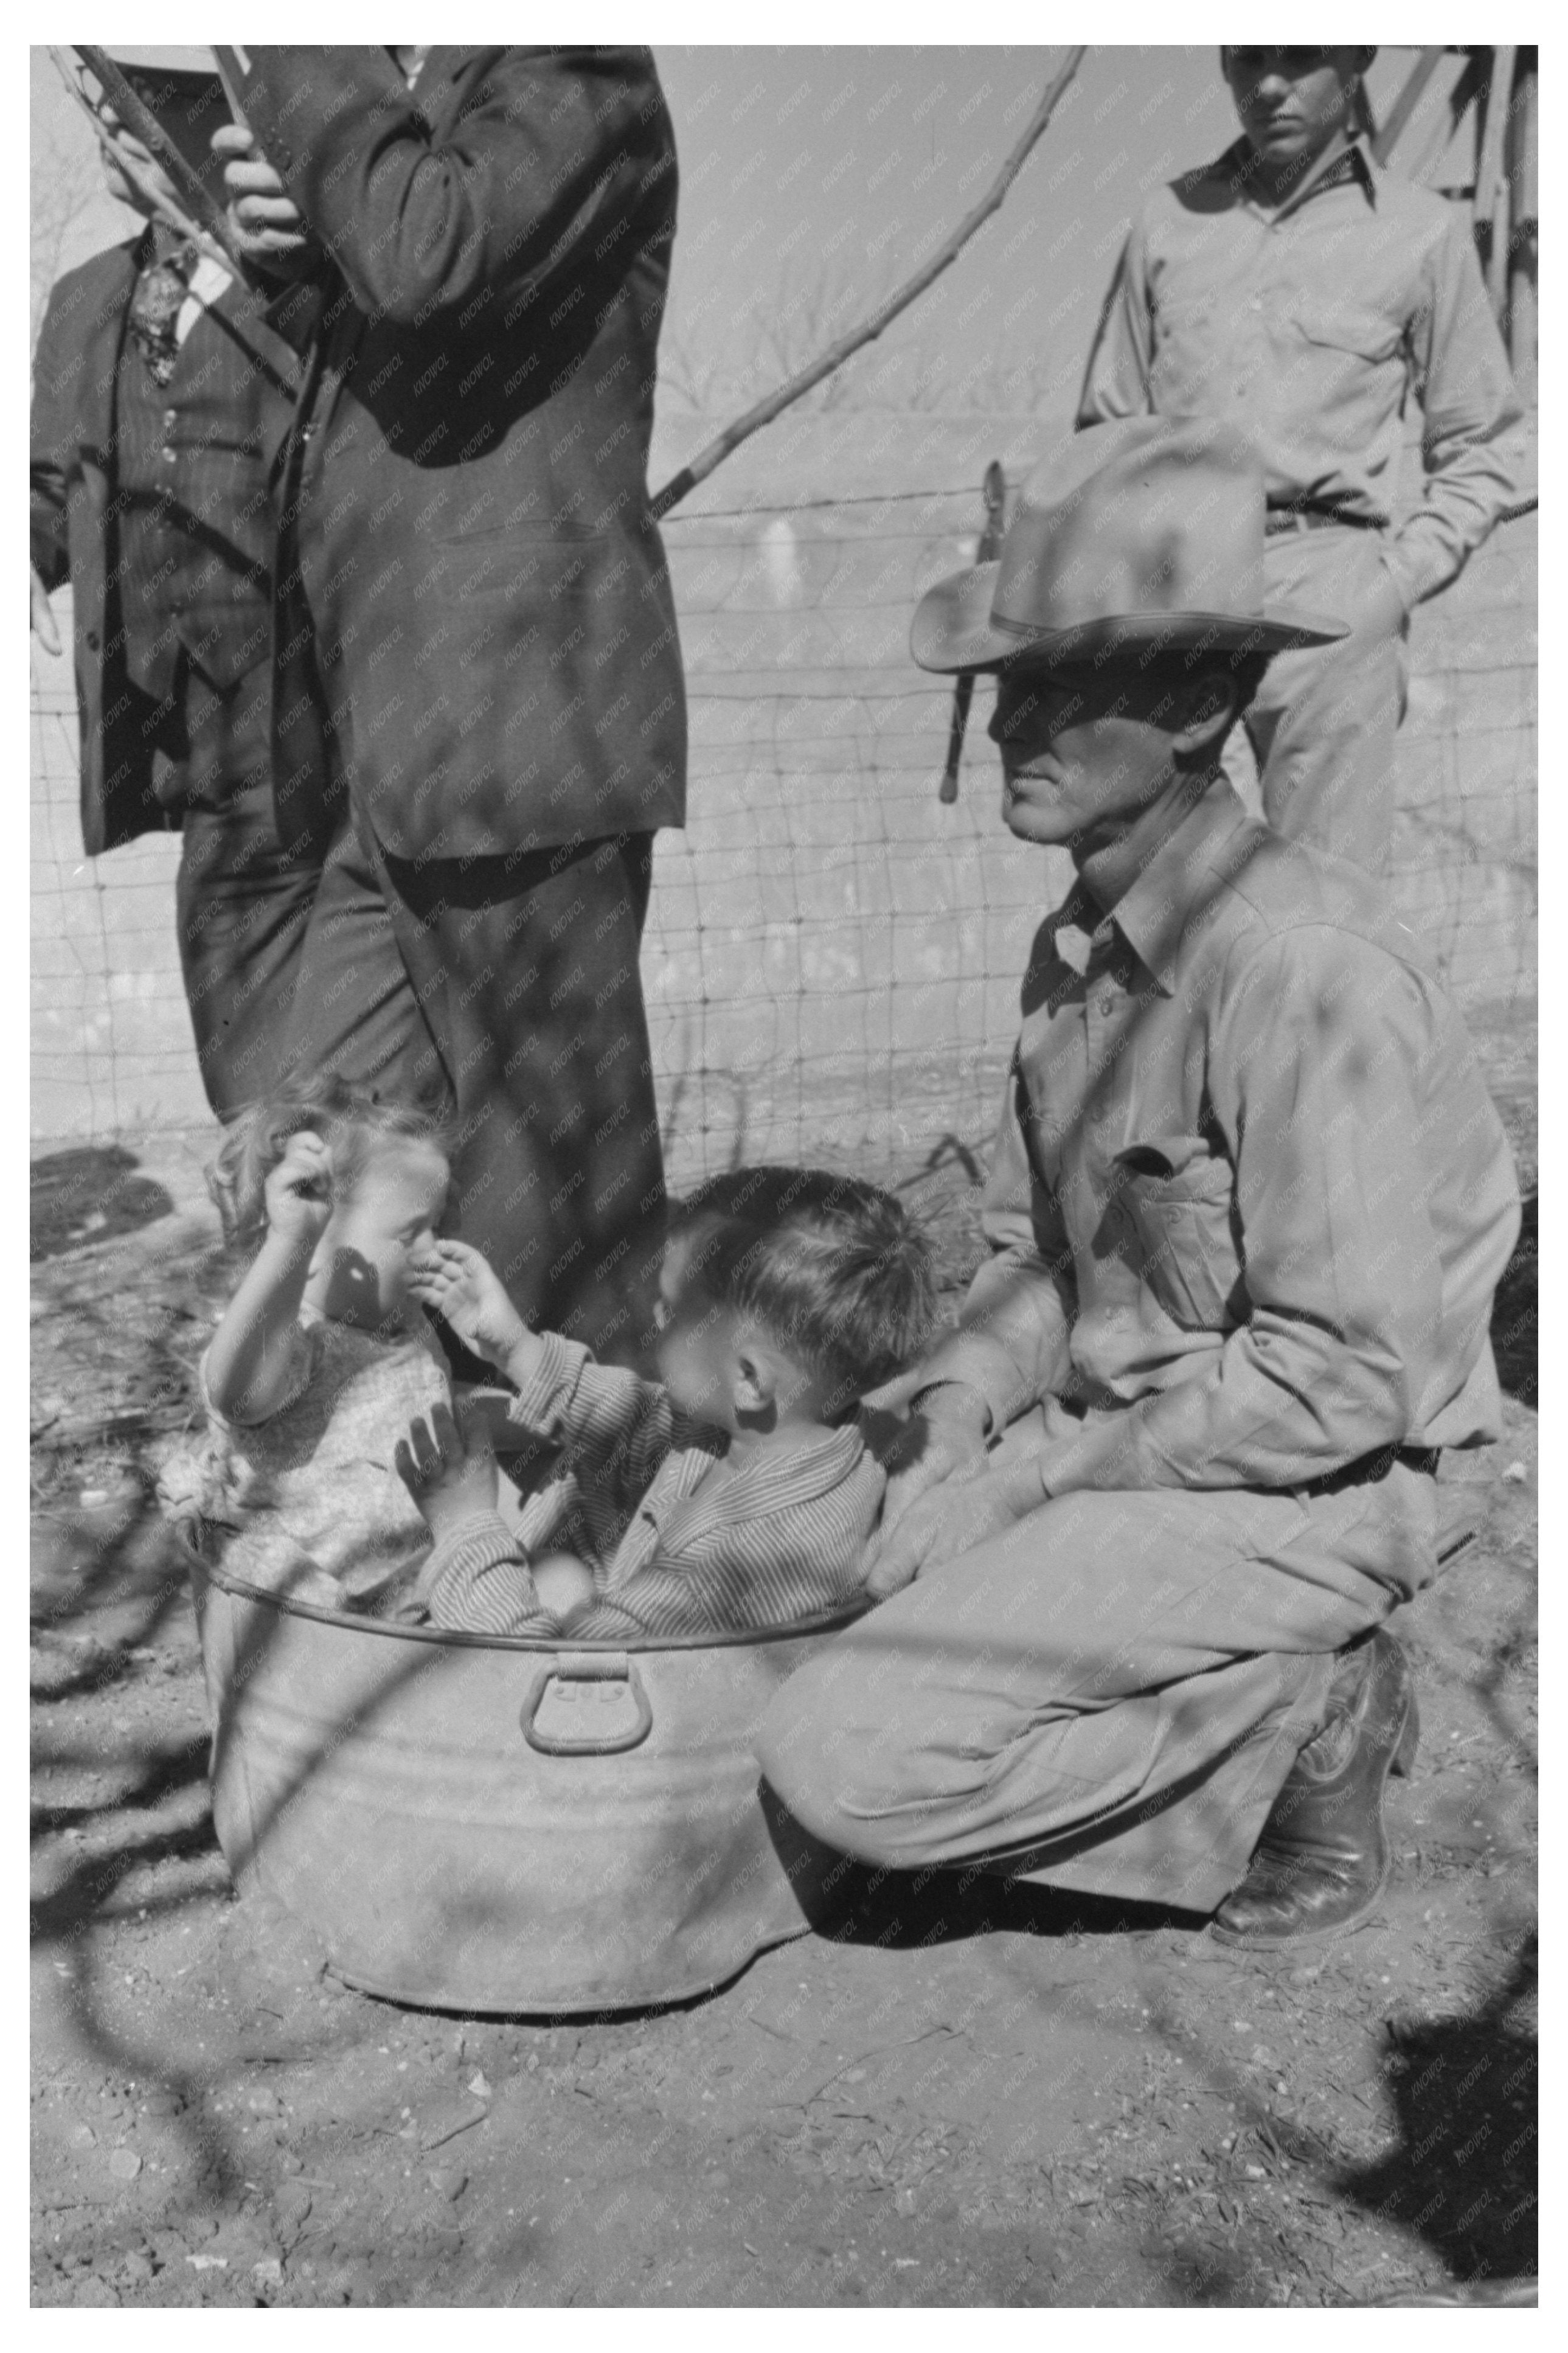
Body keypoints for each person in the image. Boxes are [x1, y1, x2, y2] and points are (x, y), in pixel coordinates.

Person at [754, 418, 1521, 1948]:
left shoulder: (1298, 969)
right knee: (804, 1552)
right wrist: (963, 1399)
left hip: (1319, 1489)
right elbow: (1053, 1256)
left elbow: (1340, 1378)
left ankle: (1301, 1712)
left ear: (1198, 701)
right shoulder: (1076, 950)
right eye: (1004, 685)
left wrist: (1031, 1485)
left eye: (1059, 685)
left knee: (843, 1759)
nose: (1004, 729)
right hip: (1134, 1433)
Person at [207, 46, 689, 1364]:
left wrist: (293, 55)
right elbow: (423, 331)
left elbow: (425, 256)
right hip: (403, 733)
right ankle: (396, 1496)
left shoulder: (575, 61)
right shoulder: (435, 110)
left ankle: (591, 1514)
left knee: (554, 1208)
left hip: (521, 722)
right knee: (328, 1156)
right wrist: (303, 252)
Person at [1077, 44, 1524, 875]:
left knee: (1327, 908)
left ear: (1355, 61)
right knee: (1154, 903)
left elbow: (1487, 443)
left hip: (1329, 602)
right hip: (1171, 599)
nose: (1268, 85)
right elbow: (1105, 432)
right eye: (1247, 60)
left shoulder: (1419, 231)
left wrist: (1388, 585)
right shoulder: (1166, 221)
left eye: (1297, 58)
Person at [29, 48, 333, 1119]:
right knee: (226, 954)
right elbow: (51, 493)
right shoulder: (85, 299)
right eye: (111, 119)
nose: (125, 139)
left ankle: (321, 1208)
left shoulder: (308, 283)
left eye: (149, 116)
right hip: (169, 715)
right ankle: (268, 1193)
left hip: (303, 702)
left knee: (306, 952)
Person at [393, 1170, 937, 1639]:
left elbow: (552, 1683)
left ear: (749, 1378)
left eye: (673, 1310)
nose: (653, 1314)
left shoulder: (729, 1570)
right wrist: (514, 1347)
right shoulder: (788, 1429)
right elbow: (645, 1422)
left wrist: (465, 1527)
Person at [159, 1076, 454, 1616]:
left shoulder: (402, 1328)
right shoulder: (296, 1345)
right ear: (315, 1245)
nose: (436, 1250)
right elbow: (240, 1395)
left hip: (415, 1594)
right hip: (311, 1625)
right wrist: (291, 1239)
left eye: (437, 1225)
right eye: (410, 1234)